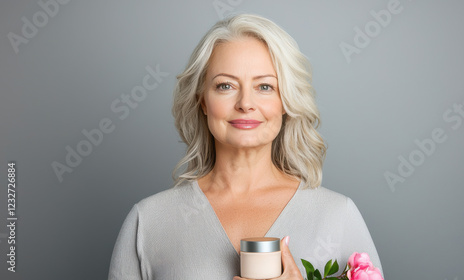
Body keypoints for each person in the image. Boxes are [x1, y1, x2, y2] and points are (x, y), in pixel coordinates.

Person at [108, 14, 383, 279]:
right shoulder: (149, 222)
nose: (245, 103)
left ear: (286, 101)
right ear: (203, 101)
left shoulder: (337, 216)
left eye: (264, 87)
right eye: (225, 85)